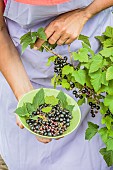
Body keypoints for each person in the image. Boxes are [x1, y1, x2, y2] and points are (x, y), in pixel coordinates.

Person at [0, 0, 113, 169]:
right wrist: (25, 96)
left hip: (91, 61)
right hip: (23, 69)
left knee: (92, 157)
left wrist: (87, 12)